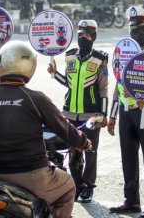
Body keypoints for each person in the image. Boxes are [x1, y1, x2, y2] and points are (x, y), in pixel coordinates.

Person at [0, 40, 92, 217]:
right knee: (68, 186)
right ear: (28, 64)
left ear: (0, 62)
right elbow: (65, 129)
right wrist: (83, 142)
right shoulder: (35, 98)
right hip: (31, 175)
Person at [108, 6, 144, 218]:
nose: (135, 30)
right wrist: (112, 114)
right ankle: (131, 201)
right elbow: (118, 82)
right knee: (128, 157)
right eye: (132, 26)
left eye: (139, 26)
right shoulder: (124, 50)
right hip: (125, 110)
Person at [47, 20, 109, 203]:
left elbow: (103, 89)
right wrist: (55, 73)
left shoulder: (100, 58)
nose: (84, 38)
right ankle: (77, 185)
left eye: (88, 35)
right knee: (74, 150)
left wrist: (103, 114)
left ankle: (89, 187)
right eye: (81, 35)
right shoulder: (70, 56)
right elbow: (69, 82)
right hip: (69, 113)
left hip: (92, 114)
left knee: (90, 150)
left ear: (94, 37)